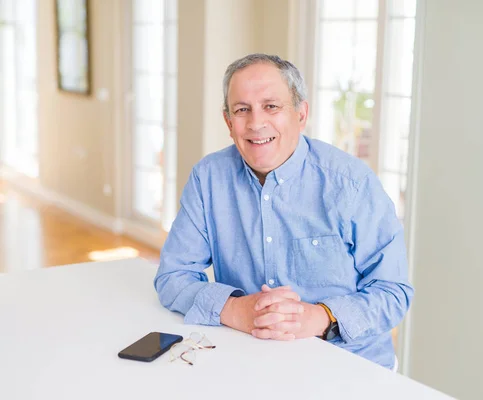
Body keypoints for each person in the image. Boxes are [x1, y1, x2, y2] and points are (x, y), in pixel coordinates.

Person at [154, 53, 414, 370]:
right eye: (242, 110)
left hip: (350, 367)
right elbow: (172, 277)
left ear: (301, 114)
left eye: (271, 106)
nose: (255, 123)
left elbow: (394, 291)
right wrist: (235, 310)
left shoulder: (352, 184)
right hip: (249, 360)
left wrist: (320, 317)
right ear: (228, 122)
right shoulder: (208, 179)